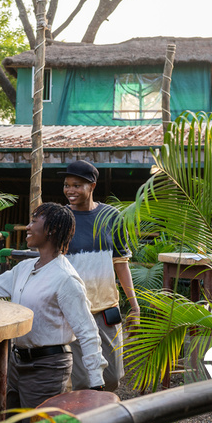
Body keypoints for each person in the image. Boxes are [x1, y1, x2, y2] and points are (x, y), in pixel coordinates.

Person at [0, 202, 106, 409]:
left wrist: (96, 383)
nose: (27, 226)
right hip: (17, 361)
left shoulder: (65, 279)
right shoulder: (25, 268)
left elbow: (87, 331)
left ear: (52, 229)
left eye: (34, 221)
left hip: (47, 367)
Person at [59, 160, 140, 392]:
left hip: (106, 310)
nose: (70, 190)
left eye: (77, 185)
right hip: (72, 311)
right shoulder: (61, 218)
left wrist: (134, 306)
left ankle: (101, 418)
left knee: (112, 377)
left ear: (92, 186)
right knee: (83, 381)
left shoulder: (111, 216)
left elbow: (121, 264)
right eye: (67, 185)